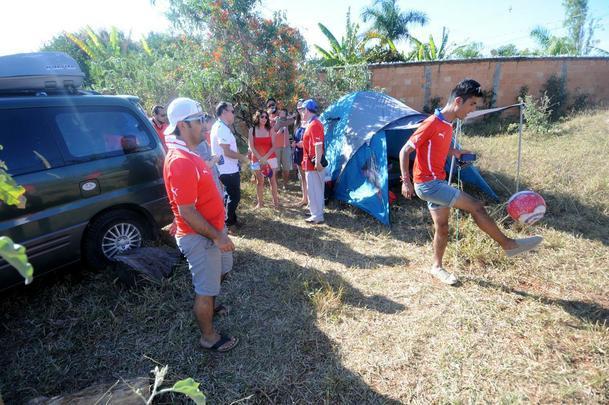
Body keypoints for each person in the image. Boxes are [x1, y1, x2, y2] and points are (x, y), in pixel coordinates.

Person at [399, 79, 543, 286]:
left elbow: (434, 145)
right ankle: (509, 245)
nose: (472, 110)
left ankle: (436, 267)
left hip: (436, 181)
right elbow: (406, 150)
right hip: (428, 184)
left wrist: (455, 152)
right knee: (476, 206)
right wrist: (406, 181)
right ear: (458, 101)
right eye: (472, 104)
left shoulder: (447, 124)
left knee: (443, 227)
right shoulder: (432, 122)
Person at [163, 97, 238, 352]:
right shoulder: (181, 160)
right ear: (183, 126)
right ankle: (209, 337)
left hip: (212, 230)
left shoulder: (188, 153)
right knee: (205, 289)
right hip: (202, 236)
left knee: (223, 268)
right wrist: (217, 236)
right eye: (199, 122)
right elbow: (187, 209)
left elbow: (183, 200)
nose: (205, 127)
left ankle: (212, 304)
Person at [210, 101, 248, 232]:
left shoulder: (220, 127)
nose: (234, 114)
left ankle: (231, 220)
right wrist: (243, 158)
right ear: (224, 112)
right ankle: (229, 223)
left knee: (229, 195)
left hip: (226, 168)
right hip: (227, 169)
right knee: (235, 196)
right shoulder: (221, 128)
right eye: (232, 111)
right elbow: (226, 152)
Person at [300, 99, 325, 224]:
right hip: (309, 163)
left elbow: (318, 145)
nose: (301, 113)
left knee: (315, 189)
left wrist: (317, 162)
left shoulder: (315, 124)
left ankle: (317, 215)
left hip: (313, 163)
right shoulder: (311, 123)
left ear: (307, 110)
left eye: (302, 110)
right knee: (313, 189)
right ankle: (315, 211)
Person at [248, 110, 280, 208]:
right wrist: (260, 158)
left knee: (272, 180)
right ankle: (260, 203)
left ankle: (276, 203)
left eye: (266, 117)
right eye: (262, 117)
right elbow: (251, 146)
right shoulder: (252, 130)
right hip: (256, 158)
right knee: (260, 181)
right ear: (257, 117)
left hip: (270, 158)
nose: (264, 119)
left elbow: (274, 146)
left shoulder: (270, 129)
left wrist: (265, 158)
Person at [292, 100, 308, 207]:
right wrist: (294, 143)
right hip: (298, 152)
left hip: (307, 153)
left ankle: (311, 200)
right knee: (302, 176)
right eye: (298, 108)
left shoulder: (309, 121)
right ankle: (304, 198)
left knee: (308, 177)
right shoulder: (296, 122)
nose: (300, 110)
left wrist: (305, 143)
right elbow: (295, 137)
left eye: (302, 107)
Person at [273, 108, 292, 190]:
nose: (282, 113)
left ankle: (286, 184)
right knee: (276, 168)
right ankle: (276, 185)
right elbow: (275, 128)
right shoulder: (274, 120)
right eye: (281, 111)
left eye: (284, 112)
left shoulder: (288, 120)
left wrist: (287, 119)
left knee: (286, 168)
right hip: (276, 147)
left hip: (286, 147)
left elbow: (292, 121)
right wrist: (278, 121)